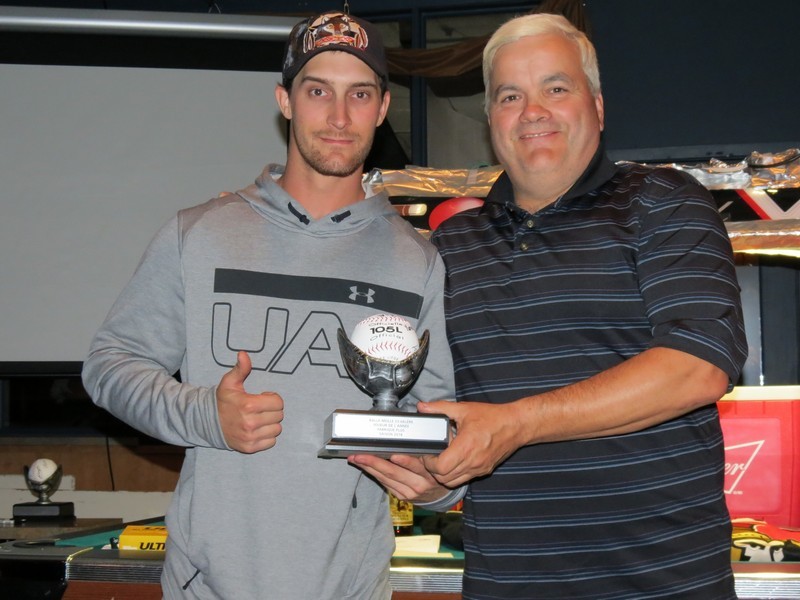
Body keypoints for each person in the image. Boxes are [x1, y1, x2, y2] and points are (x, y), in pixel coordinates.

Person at [81, 11, 456, 600]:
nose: (339, 116)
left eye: (359, 94)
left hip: (350, 588)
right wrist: (205, 414)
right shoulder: (199, 235)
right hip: (208, 586)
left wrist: (441, 484)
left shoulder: (418, 263)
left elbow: (438, 422)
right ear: (285, 101)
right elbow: (109, 366)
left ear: (382, 108)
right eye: (318, 92)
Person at [415, 12, 748, 600]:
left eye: (555, 88)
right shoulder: (449, 248)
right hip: (507, 585)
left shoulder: (662, 202)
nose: (532, 111)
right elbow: (443, 415)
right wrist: (430, 478)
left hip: (662, 585)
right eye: (510, 96)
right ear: (491, 120)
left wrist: (517, 424)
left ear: (596, 105)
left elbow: (697, 365)